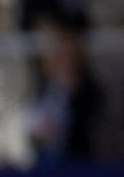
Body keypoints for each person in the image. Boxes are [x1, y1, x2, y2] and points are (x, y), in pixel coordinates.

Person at [27, 20, 103, 165]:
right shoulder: (44, 86)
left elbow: (90, 122)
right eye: (60, 53)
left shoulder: (89, 87)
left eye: (69, 54)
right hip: (45, 155)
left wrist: (72, 93)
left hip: (78, 157)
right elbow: (33, 117)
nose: (65, 59)